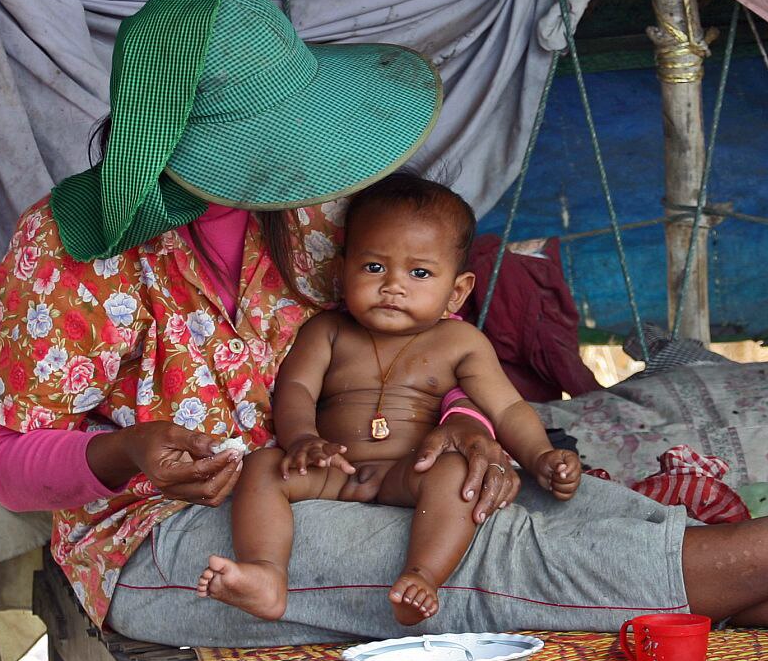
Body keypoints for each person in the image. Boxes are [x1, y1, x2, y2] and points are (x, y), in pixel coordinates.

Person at [0, 0, 768, 661]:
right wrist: (122, 451)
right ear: (208, 153)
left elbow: (426, 341)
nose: (298, 167)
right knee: (456, 563)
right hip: (173, 537)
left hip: (354, 464)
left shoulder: (308, 213)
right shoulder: (65, 256)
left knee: (548, 492)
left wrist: (464, 427)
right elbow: (13, 463)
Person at [197, 174, 582, 624]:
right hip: (337, 471)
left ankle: (422, 575)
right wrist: (303, 438)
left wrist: (539, 457)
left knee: (457, 474)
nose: (393, 285)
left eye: (419, 273)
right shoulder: (328, 331)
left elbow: (508, 408)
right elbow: (297, 389)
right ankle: (266, 573)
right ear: (342, 272)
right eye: (374, 267)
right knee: (263, 466)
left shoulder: (460, 342)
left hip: (409, 472)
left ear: (456, 291)